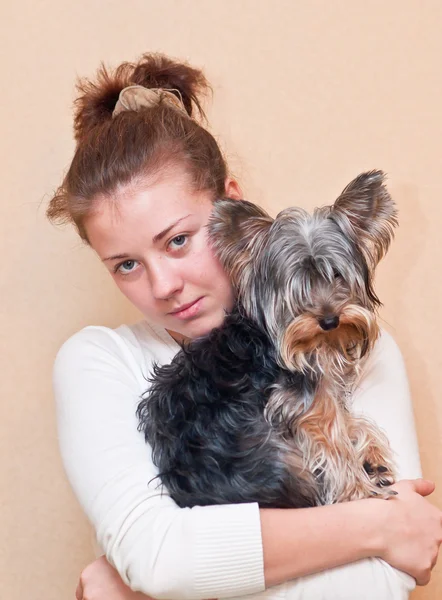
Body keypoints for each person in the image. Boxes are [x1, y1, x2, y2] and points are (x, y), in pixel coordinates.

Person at [47, 52, 442, 600]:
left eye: (178, 240)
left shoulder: (345, 346)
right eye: (127, 265)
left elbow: (380, 583)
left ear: (233, 209)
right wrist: (378, 526)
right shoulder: (99, 361)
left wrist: (149, 579)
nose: (163, 285)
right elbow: (159, 560)